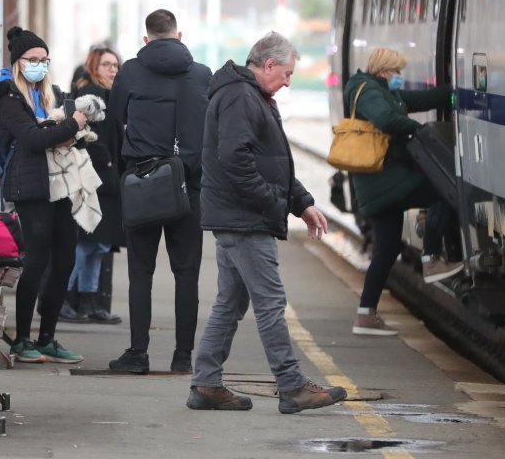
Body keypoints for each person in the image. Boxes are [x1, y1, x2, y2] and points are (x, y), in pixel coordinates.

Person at [186, 32, 347, 414]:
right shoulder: (242, 97)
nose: (289, 81)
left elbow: (271, 160)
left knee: (230, 303)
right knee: (271, 302)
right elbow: (236, 160)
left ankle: (206, 383)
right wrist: (272, 202)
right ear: (269, 64)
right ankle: (292, 385)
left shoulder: (250, 95)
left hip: (238, 216)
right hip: (244, 220)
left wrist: (302, 203)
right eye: (287, 73)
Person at [107, 9, 211, 374]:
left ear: (146, 38)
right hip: (188, 186)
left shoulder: (131, 72)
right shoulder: (201, 74)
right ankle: (184, 358)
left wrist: (129, 167)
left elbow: (114, 120)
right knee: (187, 274)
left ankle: (138, 353)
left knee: (141, 273)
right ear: (179, 36)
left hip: (142, 183)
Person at [0, 26, 88, 363]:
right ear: (18, 62)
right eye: (32, 59)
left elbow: (61, 136)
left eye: (44, 59)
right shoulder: (8, 98)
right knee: (37, 260)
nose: (39, 64)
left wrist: (71, 129)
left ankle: (47, 338)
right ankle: (22, 339)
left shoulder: (52, 95)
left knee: (65, 260)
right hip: (29, 186)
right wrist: (73, 124)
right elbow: (32, 139)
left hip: (61, 184)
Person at [343, 47, 461, 336]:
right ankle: (431, 256)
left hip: (381, 182)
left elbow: (419, 100)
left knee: (387, 249)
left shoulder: (383, 90)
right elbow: (387, 120)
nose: (399, 78)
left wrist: (455, 90)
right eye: (396, 72)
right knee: (443, 190)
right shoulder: (368, 90)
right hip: (383, 179)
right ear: (383, 71)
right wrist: (418, 130)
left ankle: (365, 315)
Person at [59, 47, 125, 325]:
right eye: (106, 64)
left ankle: (90, 299)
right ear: (94, 66)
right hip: (94, 178)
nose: (112, 69)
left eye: (115, 65)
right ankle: (65, 298)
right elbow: (84, 136)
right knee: (87, 244)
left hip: (107, 179)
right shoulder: (92, 96)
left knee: (98, 245)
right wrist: (107, 160)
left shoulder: (111, 95)